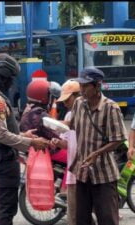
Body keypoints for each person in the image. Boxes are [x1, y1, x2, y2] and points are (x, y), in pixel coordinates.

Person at [0, 53, 49, 225]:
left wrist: (23, 136)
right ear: (2, 78)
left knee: (1, 208)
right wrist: (31, 142)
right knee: (5, 210)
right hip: (2, 164)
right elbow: (0, 135)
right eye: (9, 78)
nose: (11, 82)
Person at [68, 67, 127, 225]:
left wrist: (97, 154)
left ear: (97, 86)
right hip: (82, 173)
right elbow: (71, 125)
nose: (82, 90)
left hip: (104, 175)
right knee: (82, 220)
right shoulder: (79, 104)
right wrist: (52, 126)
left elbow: (119, 139)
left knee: (107, 219)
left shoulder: (110, 108)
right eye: (81, 86)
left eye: (86, 86)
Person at [51, 79, 81, 225]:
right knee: (73, 217)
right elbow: (67, 144)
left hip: (88, 173)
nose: (65, 103)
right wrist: (57, 142)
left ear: (78, 95)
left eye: (68, 99)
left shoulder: (89, 114)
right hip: (73, 173)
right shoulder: (69, 116)